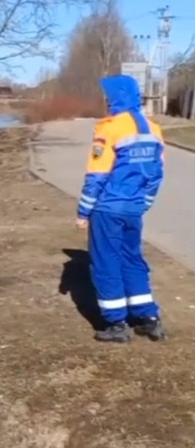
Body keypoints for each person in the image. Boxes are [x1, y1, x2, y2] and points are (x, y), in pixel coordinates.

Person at [75, 74, 166, 343]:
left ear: (116, 97)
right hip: (133, 209)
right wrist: (143, 203)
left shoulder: (109, 127)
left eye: (108, 95)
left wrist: (83, 212)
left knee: (106, 263)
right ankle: (148, 318)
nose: (105, 100)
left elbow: (97, 175)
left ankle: (116, 324)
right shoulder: (153, 129)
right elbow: (157, 175)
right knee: (132, 259)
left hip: (108, 208)